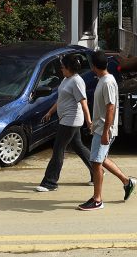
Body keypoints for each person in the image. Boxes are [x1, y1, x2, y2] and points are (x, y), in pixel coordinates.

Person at [77, 51, 137, 211]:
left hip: (105, 130)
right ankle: (127, 181)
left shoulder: (108, 82)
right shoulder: (103, 80)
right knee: (100, 159)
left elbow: (111, 107)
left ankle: (97, 200)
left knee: (96, 162)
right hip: (100, 128)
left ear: (93, 66)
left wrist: (105, 132)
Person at [34, 54, 93, 192]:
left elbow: (83, 102)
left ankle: (50, 182)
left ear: (69, 68)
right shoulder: (66, 79)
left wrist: (89, 121)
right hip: (66, 119)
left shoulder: (77, 81)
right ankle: (97, 172)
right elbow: (61, 99)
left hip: (71, 120)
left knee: (58, 149)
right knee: (78, 146)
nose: (61, 69)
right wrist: (50, 112)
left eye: (62, 67)